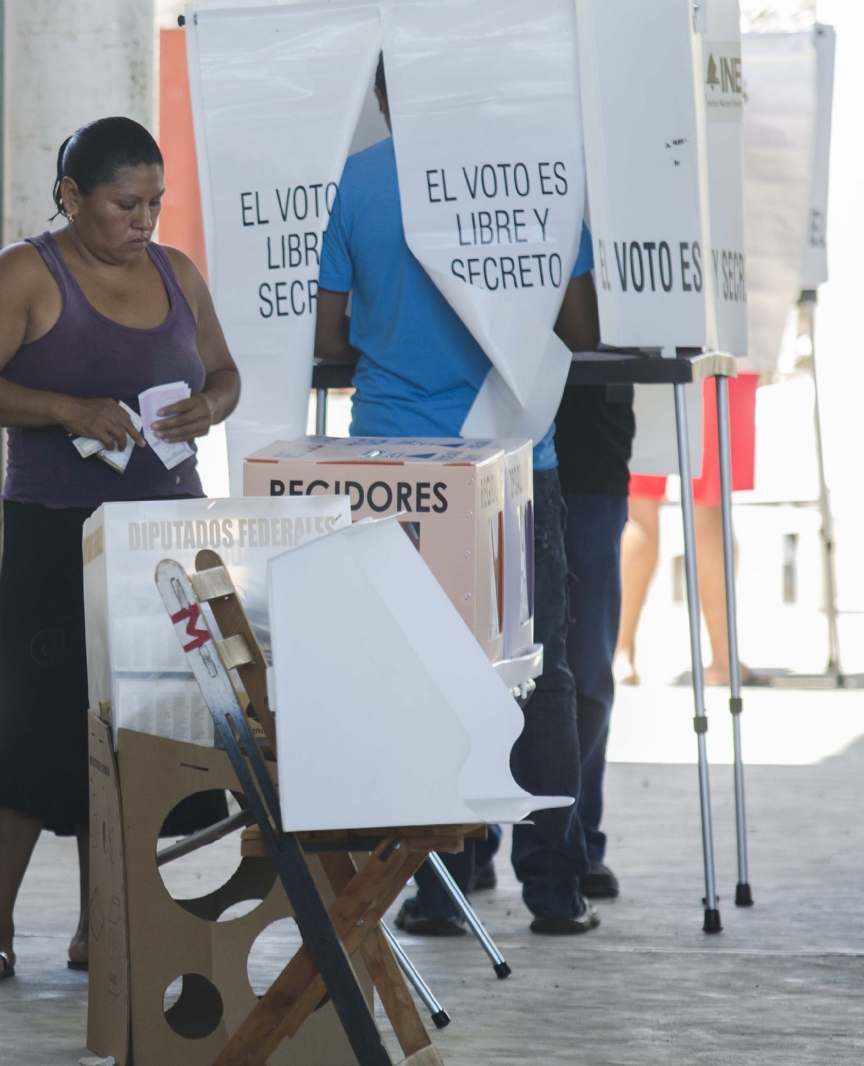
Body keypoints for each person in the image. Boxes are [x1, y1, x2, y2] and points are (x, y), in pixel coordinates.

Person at [0, 116, 241, 985]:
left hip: (161, 542)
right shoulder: (27, 273)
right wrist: (67, 409)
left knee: (138, 739)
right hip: (55, 535)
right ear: (72, 196)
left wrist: (207, 409)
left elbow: (225, 373)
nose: (143, 220)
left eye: (155, 202)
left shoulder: (177, 273)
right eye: (124, 204)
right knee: (32, 730)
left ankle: (98, 925)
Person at [313, 59, 602, 935]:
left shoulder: (357, 184)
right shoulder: (535, 183)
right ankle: (555, 886)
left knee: (422, 673)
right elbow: (581, 332)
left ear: (381, 101)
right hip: (514, 453)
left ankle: (436, 885)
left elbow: (329, 335)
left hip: (396, 459)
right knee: (538, 670)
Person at [616, 374, 759, 688]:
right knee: (710, 507)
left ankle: (620, 651)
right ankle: (723, 658)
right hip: (715, 352)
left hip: (648, 350)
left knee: (638, 508)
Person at [554, 382, 637, 900]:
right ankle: (472, 840)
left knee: (587, 674)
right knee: (480, 665)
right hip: (483, 431)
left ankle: (578, 838)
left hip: (590, 450)